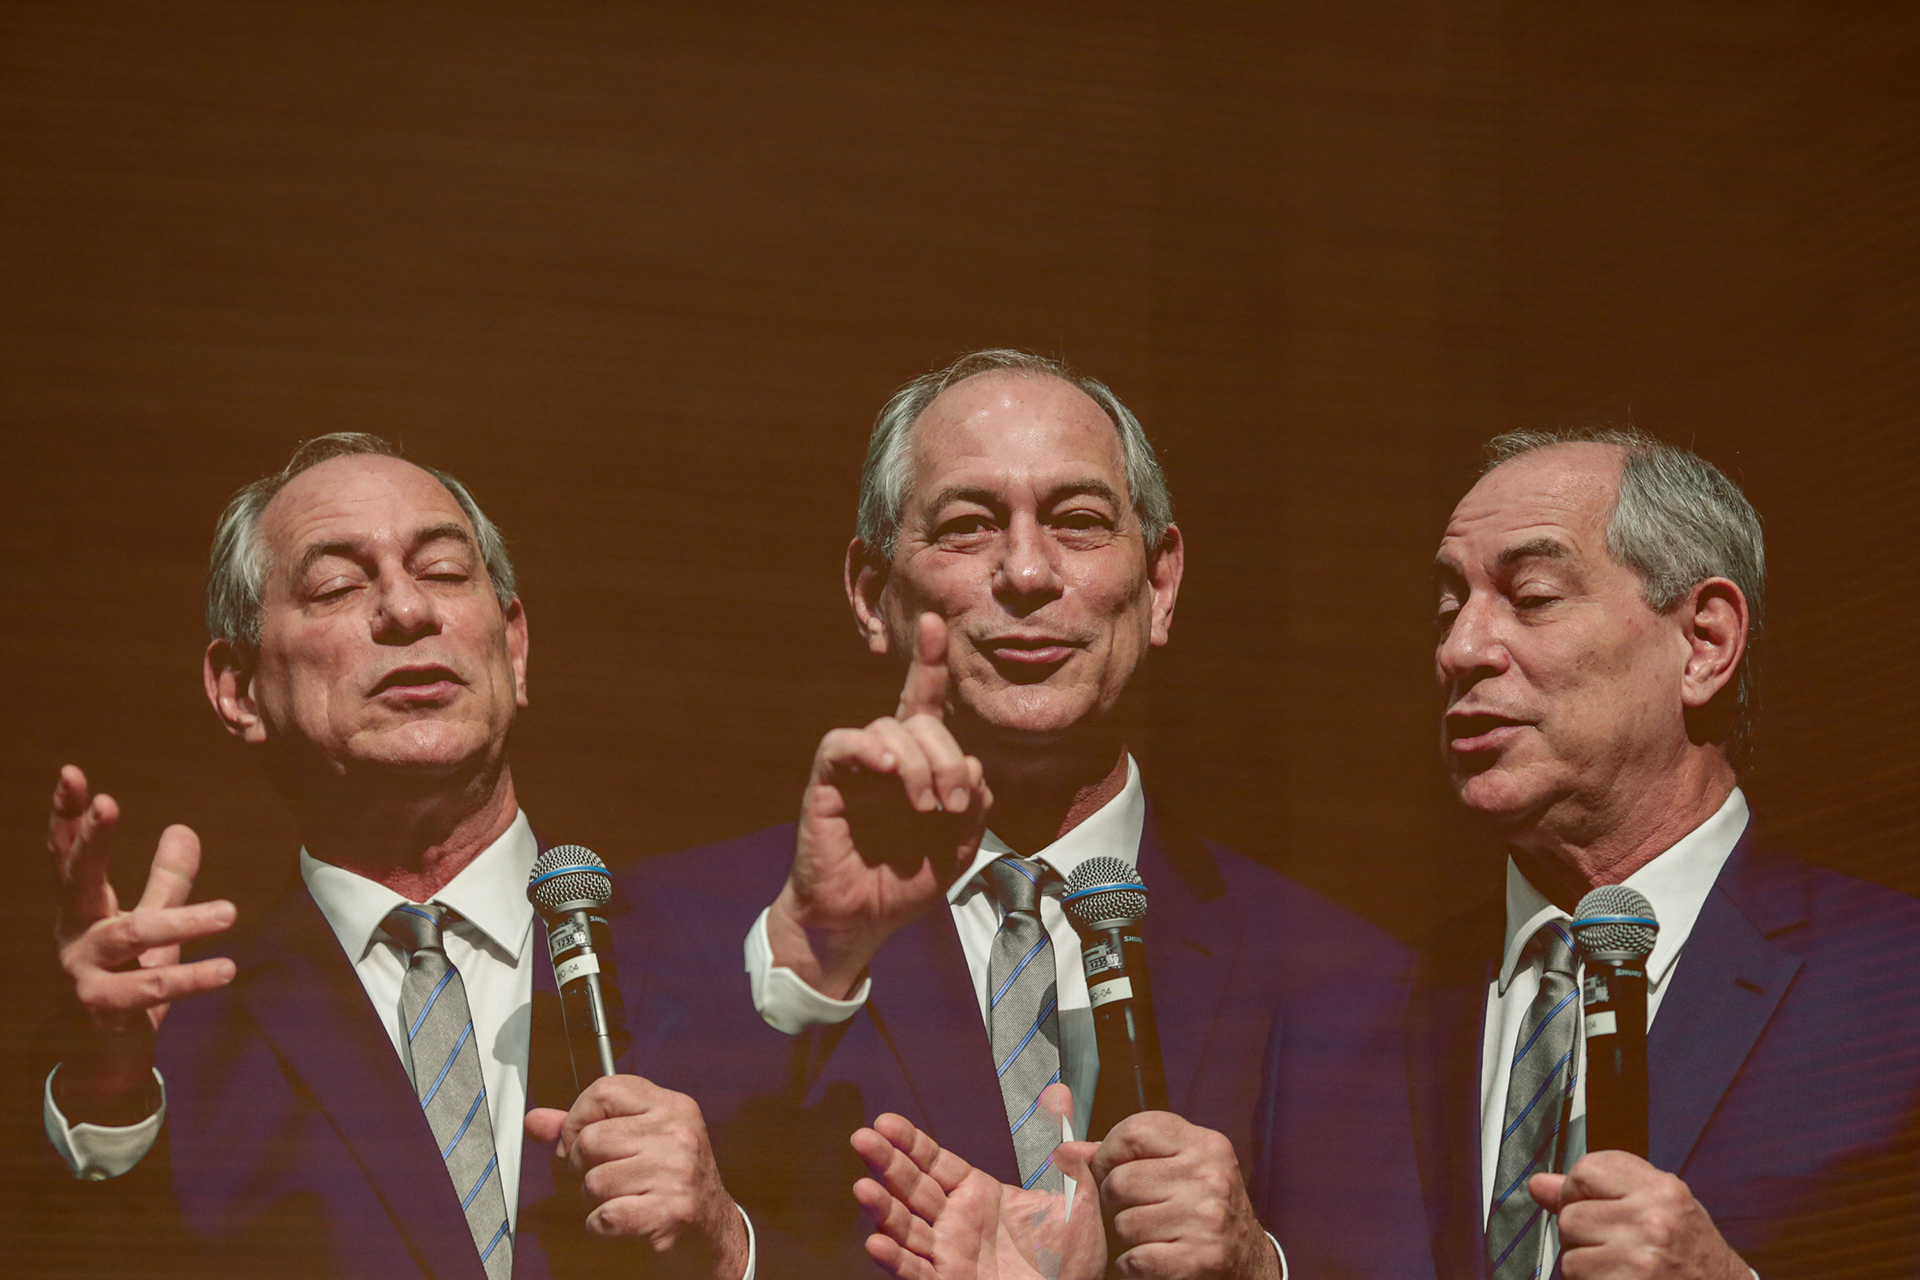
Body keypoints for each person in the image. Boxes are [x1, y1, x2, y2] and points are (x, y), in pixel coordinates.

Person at [627, 350, 1432, 1280]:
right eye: (967, 527)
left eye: (1079, 522)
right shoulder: (688, 930)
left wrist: (1256, 1268)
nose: (1025, 571)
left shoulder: (1332, 972)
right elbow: (641, 1233)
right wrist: (815, 954)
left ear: (1161, 585)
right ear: (872, 595)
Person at [41, 434, 754, 1279]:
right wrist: (110, 1095)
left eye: (444, 571)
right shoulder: (177, 1045)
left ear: (514, 648)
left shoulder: (740, 962)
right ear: (239, 690)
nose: (407, 610)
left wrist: (728, 1249)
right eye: (337, 587)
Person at [1408, 429, 1920, 1279]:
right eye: (1447, 609)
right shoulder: (1376, 1009)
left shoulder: (1895, 987)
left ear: (1705, 643)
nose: (1460, 649)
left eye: (1532, 597)